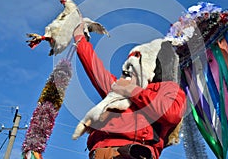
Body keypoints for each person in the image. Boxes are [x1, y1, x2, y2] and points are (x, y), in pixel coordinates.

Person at [73, 22, 187, 159]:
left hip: (132, 153)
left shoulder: (166, 89)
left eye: (137, 61)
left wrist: (132, 91)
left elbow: (171, 114)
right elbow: (93, 67)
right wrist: (79, 36)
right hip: (99, 153)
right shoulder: (118, 87)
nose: (129, 68)